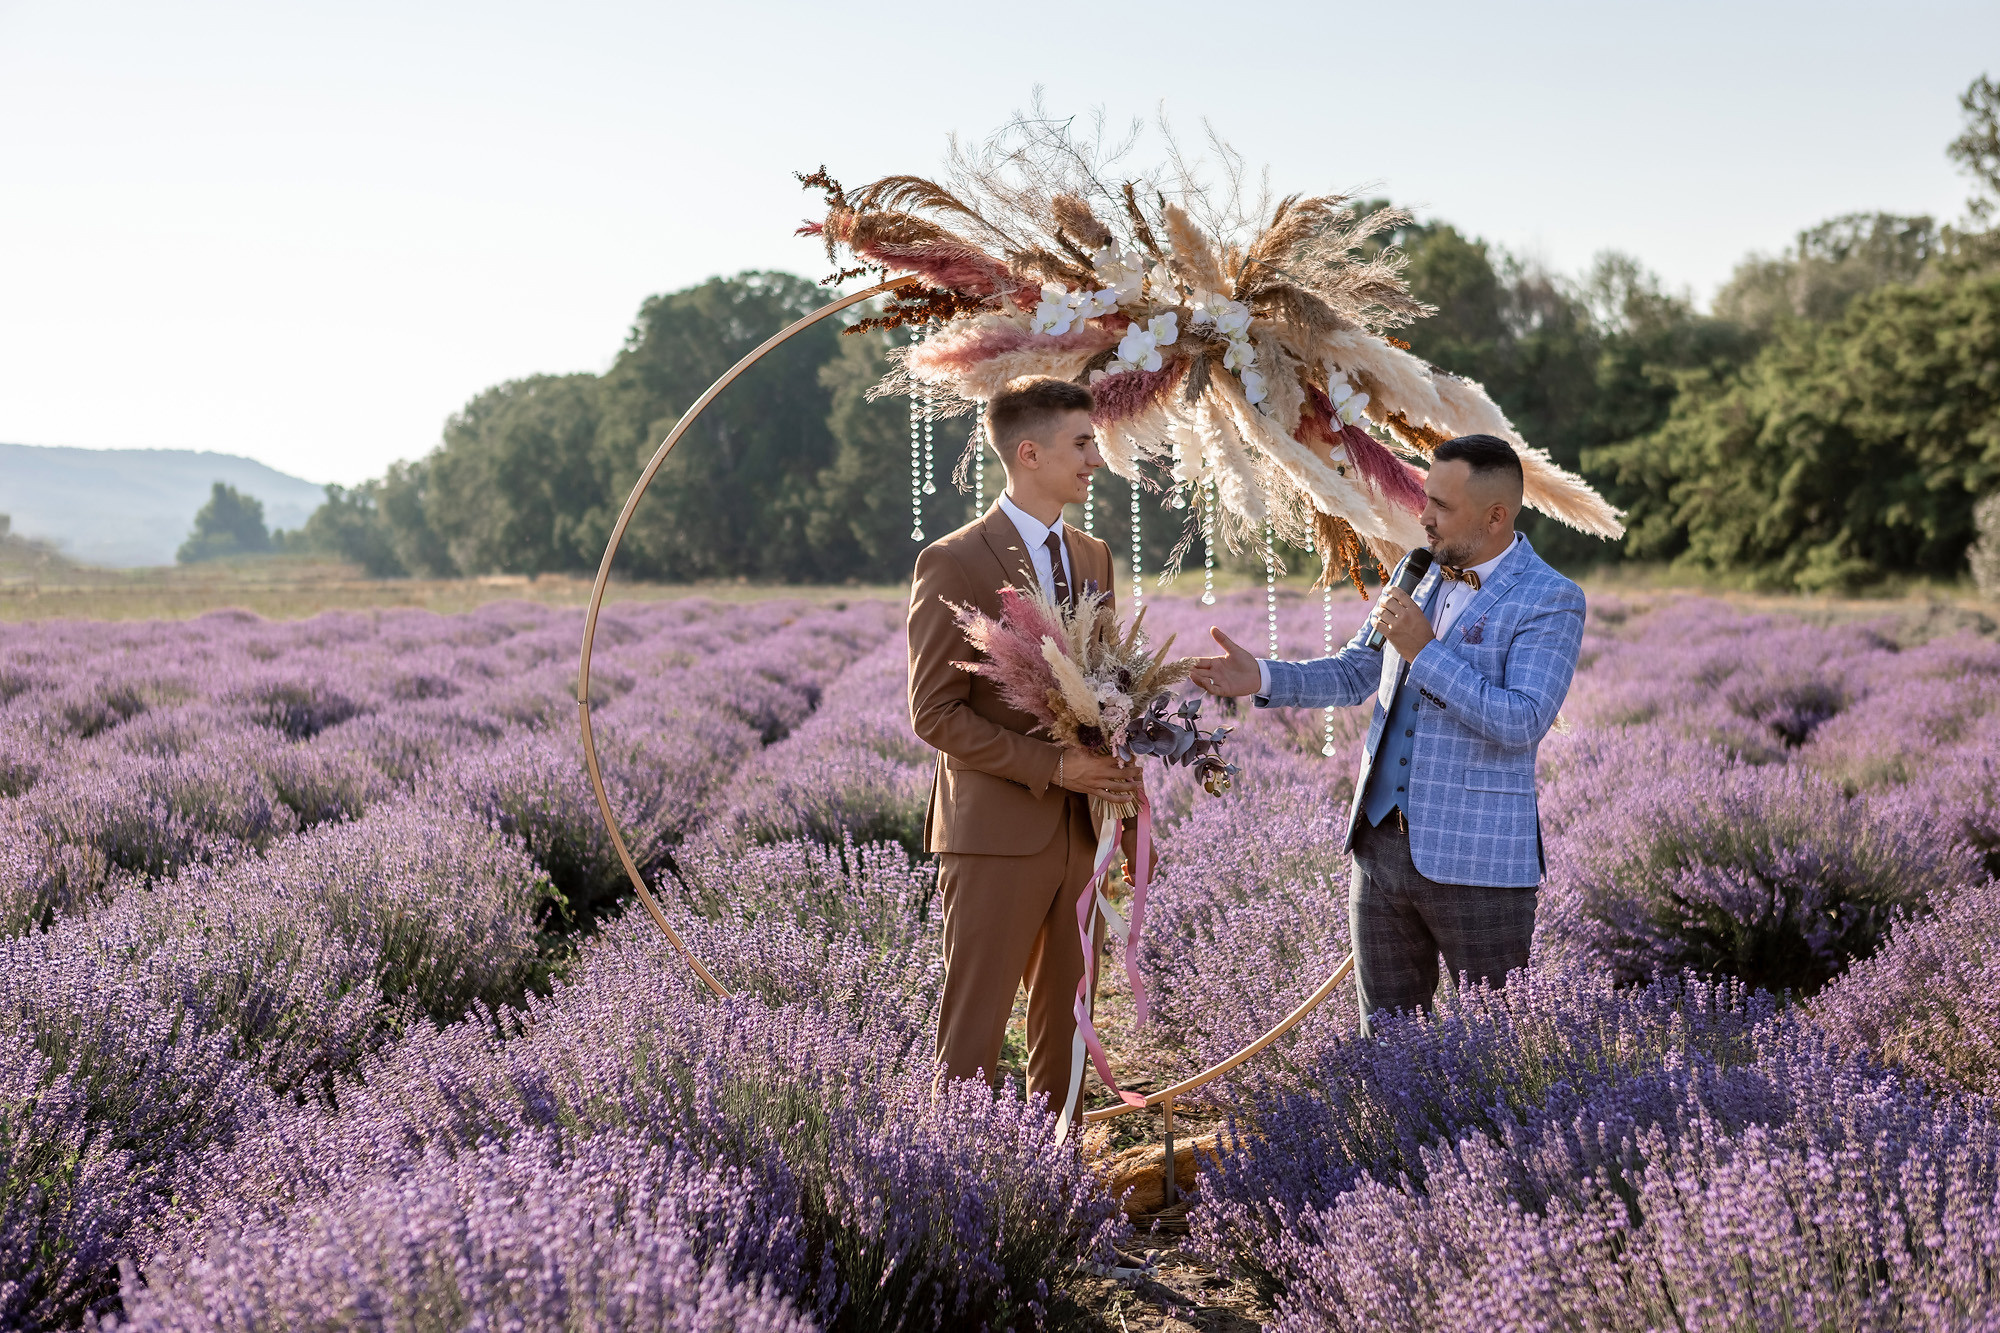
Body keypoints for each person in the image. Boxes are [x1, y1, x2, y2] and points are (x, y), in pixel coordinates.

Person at [1188, 434, 1585, 1034]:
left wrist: (1425, 651)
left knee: (1497, 1047)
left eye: (1442, 506)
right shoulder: (1415, 569)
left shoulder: (1551, 599)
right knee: (1388, 1046)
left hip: (1478, 860)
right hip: (1377, 850)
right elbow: (1357, 672)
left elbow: (1521, 721)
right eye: (1427, 498)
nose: (1424, 516)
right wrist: (1261, 677)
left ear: (1496, 515)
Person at [906, 375, 1141, 1112]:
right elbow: (935, 714)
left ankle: (1057, 1167)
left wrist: (1126, 780)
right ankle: (956, 1172)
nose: (1096, 459)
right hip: (995, 837)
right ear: (1029, 453)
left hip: (1083, 831)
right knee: (973, 1030)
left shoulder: (1094, 556)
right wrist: (1056, 766)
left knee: (1071, 1023)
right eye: (1082, 443)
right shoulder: (955, 561)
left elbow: (1106, 688)